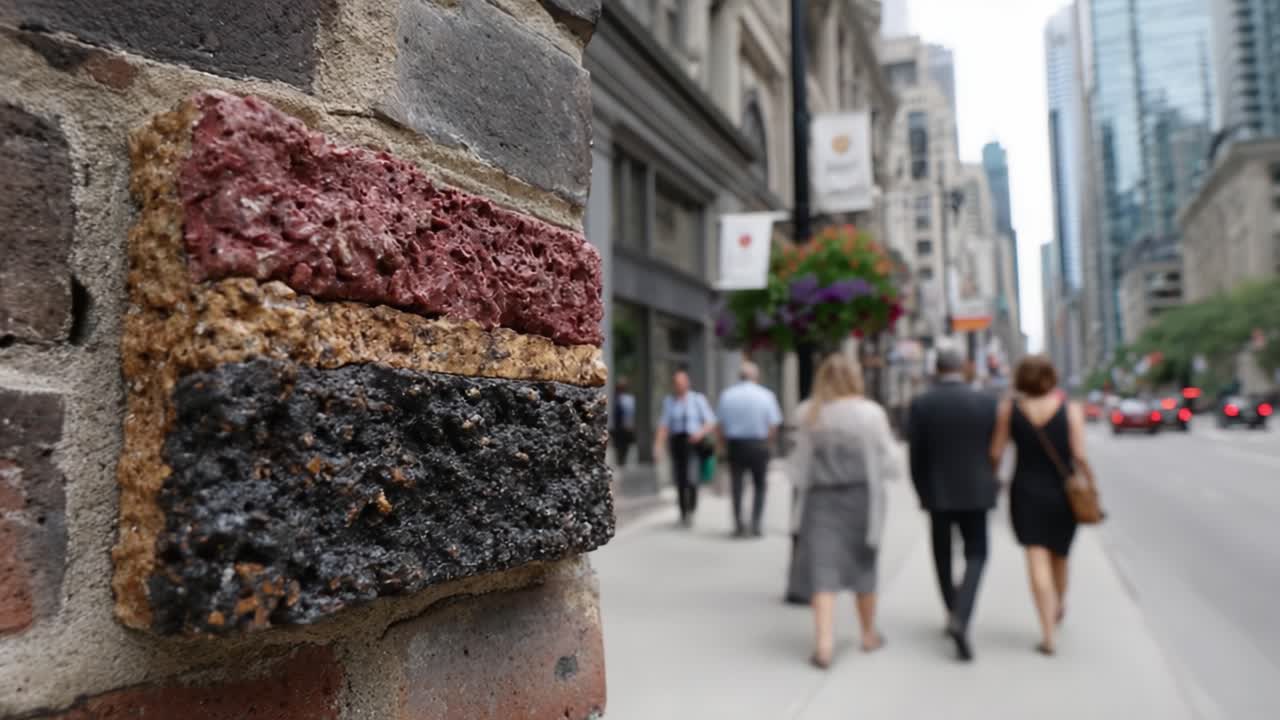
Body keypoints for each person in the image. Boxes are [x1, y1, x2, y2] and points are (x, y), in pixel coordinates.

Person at [789, 354, 903, 669]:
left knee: (823, 572)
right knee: (863, 565)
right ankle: (868, 634)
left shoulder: (809, 413)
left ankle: (824, 645)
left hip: (821, 502)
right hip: (862, 499)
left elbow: (799, 467)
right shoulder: (871, 414)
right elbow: (890, 461)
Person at [988, 355, 1088, 656]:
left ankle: (1047, 634)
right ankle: (1059, 603)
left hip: (1026, 491)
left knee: (1036, 558)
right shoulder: (1071, 410)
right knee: (1061, 555)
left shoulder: (1009, 410)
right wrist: (1087, 481)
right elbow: (1079, 455)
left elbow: (996, 452)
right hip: (1063, 493)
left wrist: (992, 479)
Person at [906, 347, 998, 662]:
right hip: (977, 492)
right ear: (963, 368)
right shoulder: (986, 402)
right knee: (977, 553)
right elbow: (995, 450)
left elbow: (915, 454)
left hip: (938, 493)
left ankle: (951, 610)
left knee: (942, 555)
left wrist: (920, 490)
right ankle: (963, 612)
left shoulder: (922, 403)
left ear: (936, 369)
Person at [716, 361, 783, 538]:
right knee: (760, 485)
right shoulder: (766, 395)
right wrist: (768, 443)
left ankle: (739, 524)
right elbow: (773, 425)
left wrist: (722, 446)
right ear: (756, 377)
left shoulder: (727, 395)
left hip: (736, 444)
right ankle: (756, 524)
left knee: (737, 485)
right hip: (758, 444)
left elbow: (720, 426)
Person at [653, 368, 717, 527]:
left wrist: (699, 433)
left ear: (687, 383)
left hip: (693, 442)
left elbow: (710, 422)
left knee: (692, 477)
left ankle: (692, 508)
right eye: (676, 383)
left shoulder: (697, 400)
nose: (679, 386)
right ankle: (683, 512)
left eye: (682, 383)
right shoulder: (669, 402)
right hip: (677, 442)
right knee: (680, 479)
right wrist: (658, 446)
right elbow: (664, 426)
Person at [612, 377, 636, 467]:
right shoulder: (615, 399)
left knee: (625, 449)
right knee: (618, 449)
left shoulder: (629, 399)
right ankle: (620, 463)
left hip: (626, 429)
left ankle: (623, 463)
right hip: (618, 429)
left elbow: (631, 415)